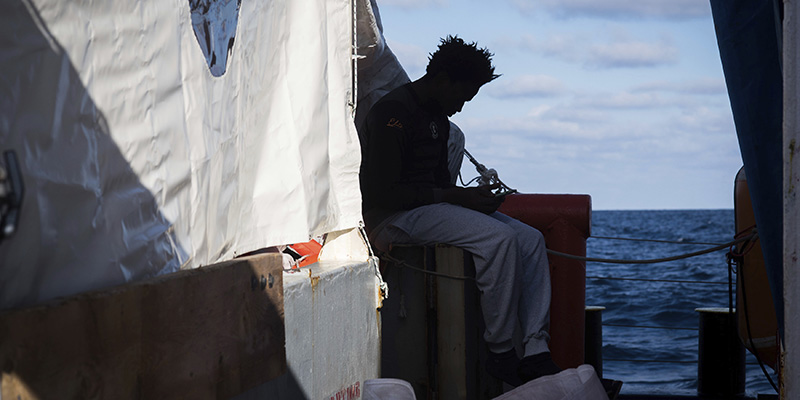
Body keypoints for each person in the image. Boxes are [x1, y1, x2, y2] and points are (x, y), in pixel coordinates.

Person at [358, 35, 560, 386]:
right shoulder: (393, 113)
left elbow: (439, 186)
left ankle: (535, 349)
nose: (461, 108)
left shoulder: (436, 118)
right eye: (462, 97)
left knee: (530, 240)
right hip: (392, 219)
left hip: (426, 209)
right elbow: (383, 193)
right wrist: (458, 198)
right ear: (442, 80)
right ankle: (501, 351)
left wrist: (469, 199)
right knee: (498, 239)